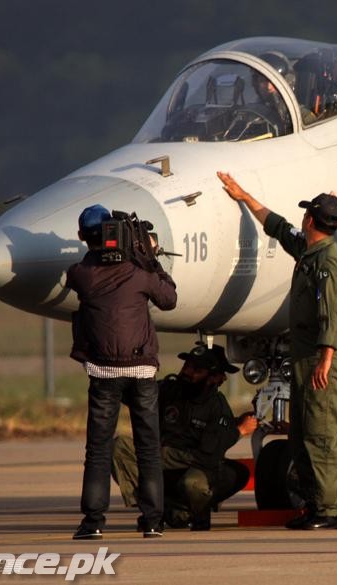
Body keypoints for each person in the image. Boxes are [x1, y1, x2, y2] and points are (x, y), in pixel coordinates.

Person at [217, 171, 337, 530]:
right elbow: (277, 227)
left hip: (322, 361)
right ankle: (314, 504)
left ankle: (331, 510)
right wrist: (245, 198)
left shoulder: (327, 263)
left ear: (310, 220)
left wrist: (325, 358)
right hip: (308, 360)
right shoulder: (311, 251)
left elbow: (332, 317)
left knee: (322, 435)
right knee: (303, 433)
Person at [66, 204, 177, 540]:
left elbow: (84, 269)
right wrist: (148, 255)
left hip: (103, 372)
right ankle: (153, 520)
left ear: (83, 237)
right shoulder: (139, 272)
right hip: (142, 370)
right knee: (147, 445)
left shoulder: (81, 274)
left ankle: (93, 521)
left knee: (98, 447)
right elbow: (169, 298)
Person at [111, 343, 257, 531]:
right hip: (161, 466)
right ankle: (153, 508)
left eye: (196, 369)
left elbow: (207, 454)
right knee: (121, 447)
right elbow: (132, 395)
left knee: (194, 484)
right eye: (187, 366)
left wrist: (238, 431)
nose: (187, 372)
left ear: (215, 378)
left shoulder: (217, 407)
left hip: (191, 467)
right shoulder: (169, 389)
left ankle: (187, 511)